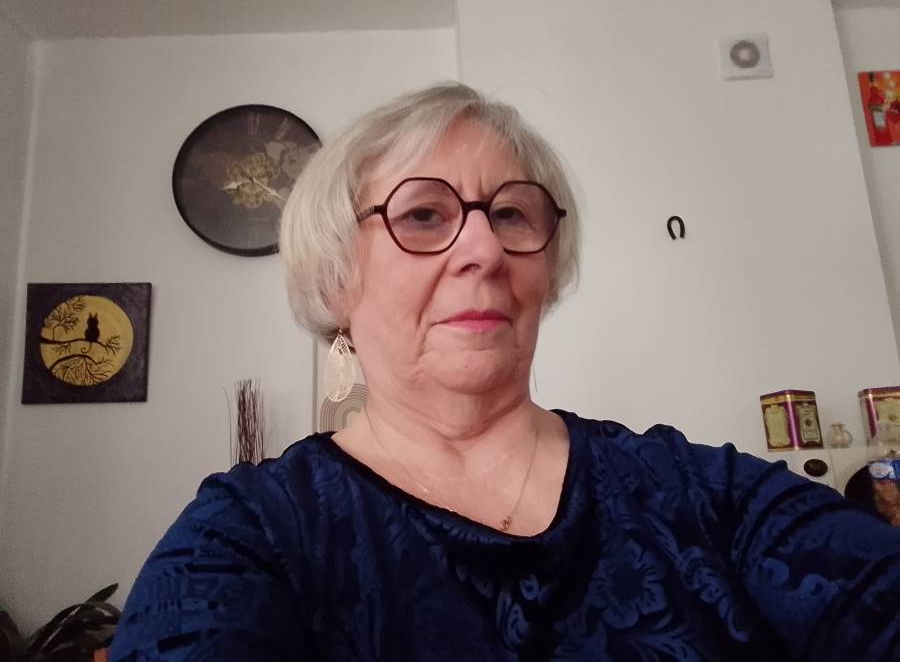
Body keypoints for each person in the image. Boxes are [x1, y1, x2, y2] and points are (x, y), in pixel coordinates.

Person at [109, 83, 900, 661]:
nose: (485, 251)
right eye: (424, 214)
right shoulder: (249, 537)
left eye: (513, 213)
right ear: (337, 276)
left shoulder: (704, 495)